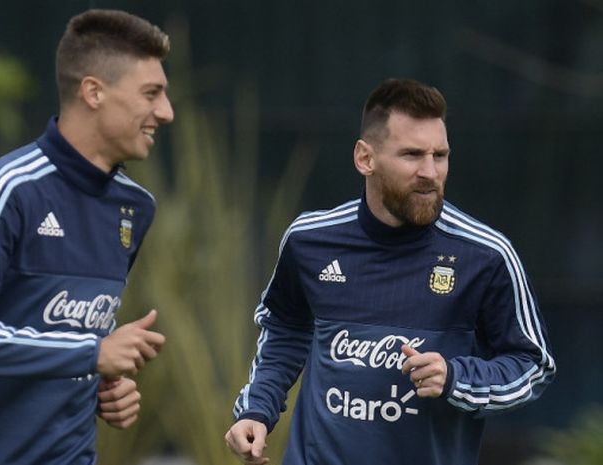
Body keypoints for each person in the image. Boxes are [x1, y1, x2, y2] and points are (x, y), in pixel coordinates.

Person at [225, 78, 556, 465]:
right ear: (365, 158)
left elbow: (532, 366)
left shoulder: (485, 256)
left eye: (441, 155)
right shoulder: (309, 241)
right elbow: (285, 329)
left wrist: (455, 378)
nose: (430, 172)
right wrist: (256, 410)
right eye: (412, 155)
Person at [0, 9, 173, 465]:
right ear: (93, 92)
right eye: (151, 94)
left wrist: (106, 388)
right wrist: (92, 354)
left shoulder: (136, 208)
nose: (165, 113)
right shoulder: (7, 190)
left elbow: (69, 340)